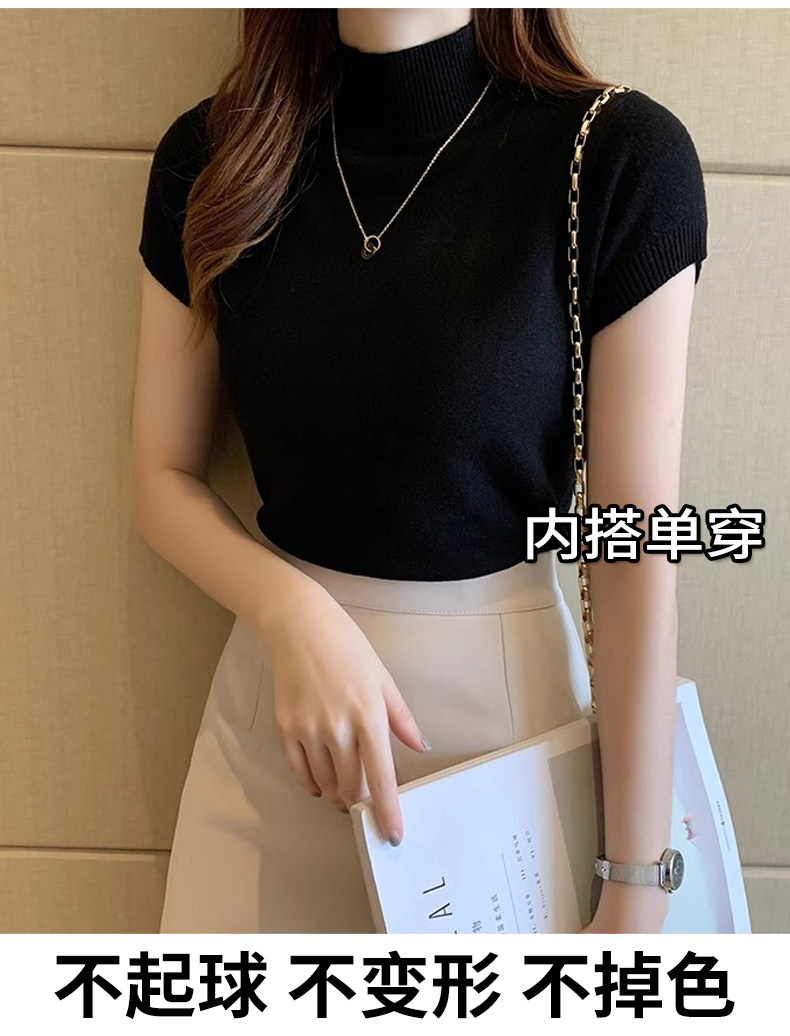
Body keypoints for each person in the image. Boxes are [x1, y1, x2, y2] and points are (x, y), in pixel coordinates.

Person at [129, 8, 708, 934]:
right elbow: (160, 476)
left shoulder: (614, 157)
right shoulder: (216, 157)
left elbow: (633, 542)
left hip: (503, 757)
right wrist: (290, 610)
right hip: (273, 736)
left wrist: (637, 884)